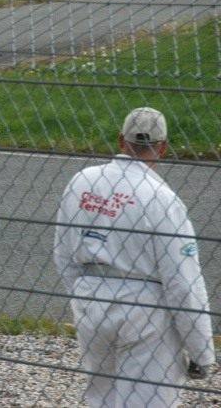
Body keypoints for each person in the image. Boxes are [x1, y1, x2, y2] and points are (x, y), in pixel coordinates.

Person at [54, 106, 215, 407]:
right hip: (144, 311)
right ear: (163, 147)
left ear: (121, 141)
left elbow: (63, 253)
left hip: (90, 299)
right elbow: (183, 282)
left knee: (102, 397)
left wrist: (83, 294)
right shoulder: (162, 199)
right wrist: (201, 350)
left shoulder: (81, 182)